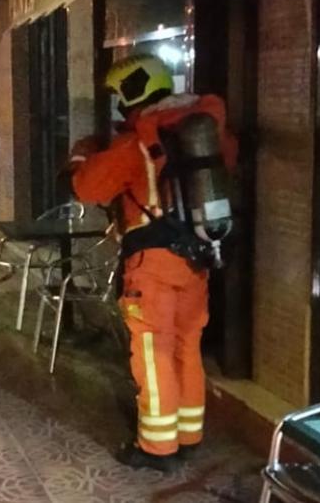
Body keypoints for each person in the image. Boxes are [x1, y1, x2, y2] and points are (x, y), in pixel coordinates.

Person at [69, 54, 236, 470]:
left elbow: (88, 188)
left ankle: (157, 447)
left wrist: (79, 158)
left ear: (131, 93)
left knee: (152, 350)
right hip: (197, 258)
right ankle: (188, 433)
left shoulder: (136, 142)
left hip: (152, 266)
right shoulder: (206, 131)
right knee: (187, 345)